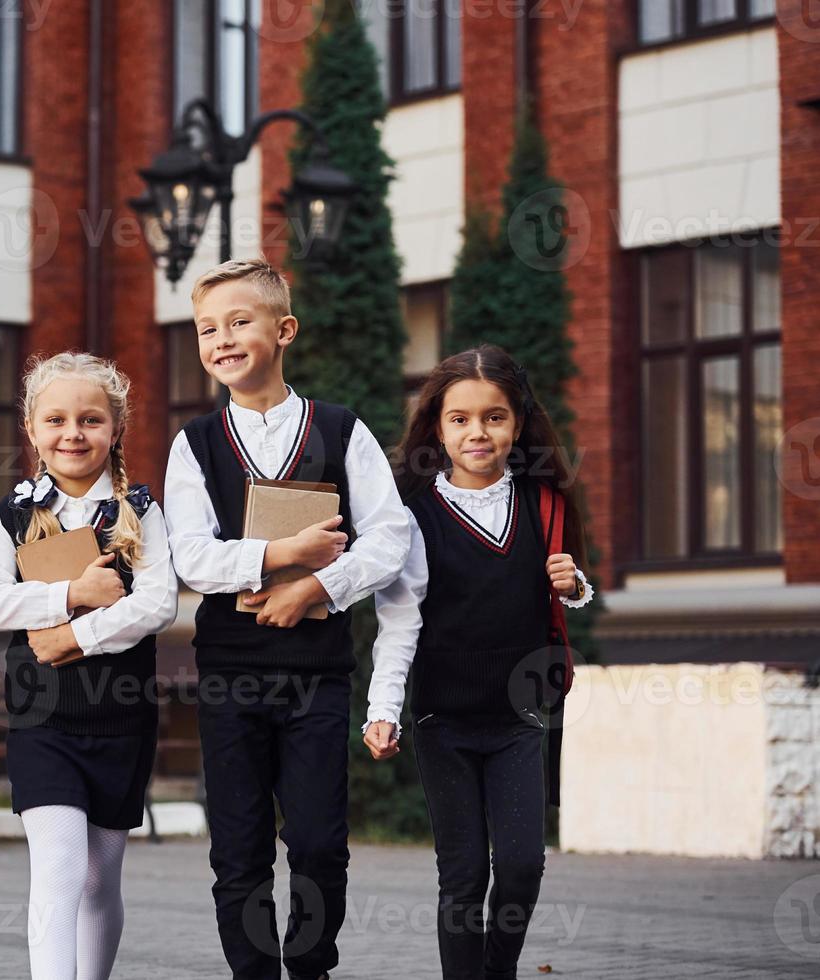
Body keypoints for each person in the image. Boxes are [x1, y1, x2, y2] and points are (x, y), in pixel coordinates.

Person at [162, 258, 411, 980]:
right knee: (237, 848)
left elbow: (390, 541)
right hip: (229, 675)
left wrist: (317, 588)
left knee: (319, 842)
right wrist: (283, 553)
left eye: (240, 321)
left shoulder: (341, 430)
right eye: (208, 328)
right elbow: (192, 558)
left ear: (284, 330)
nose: (222, 339)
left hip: (317, 676)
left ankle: (310, 969)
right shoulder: (195, 444)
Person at [364, 343, 594, 980]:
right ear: (437, 426)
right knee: (462, 876)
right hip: (444, 720)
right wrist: (383, 709)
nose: (477, 431)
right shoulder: (411, 518)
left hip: (522, 714)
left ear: (518, 423)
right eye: (459, 418)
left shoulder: (545, 501)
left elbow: (566, 586)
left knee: (522, 866)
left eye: (494, 417)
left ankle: (498, 970)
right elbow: (400, 622)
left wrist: (574, 584)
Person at [0, 352, 177, 979]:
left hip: (121, 716)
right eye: (55, 419)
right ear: (31, 430)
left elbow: (159, 603)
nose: (73, 434)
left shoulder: (139, 510)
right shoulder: (10, 515)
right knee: (58, 871)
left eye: (90, 420)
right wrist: (72, 596)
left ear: (115, 429)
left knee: (98, 880)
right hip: (42, 719)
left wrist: (75, 638)